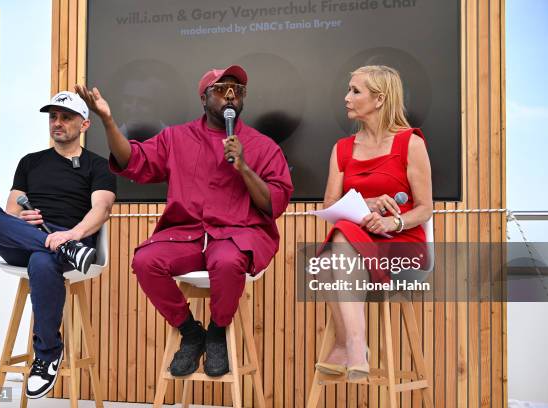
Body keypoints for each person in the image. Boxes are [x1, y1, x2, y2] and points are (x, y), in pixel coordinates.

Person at [76, 64, 293, 377]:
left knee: (228, 261)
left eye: (237, 91)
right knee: (146, 261)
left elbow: (274, 203)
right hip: (187, 234)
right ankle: (191, 333)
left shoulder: (263, 146)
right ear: (204, 99)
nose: (230, 96)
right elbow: (131, 160)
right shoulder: (176, 138)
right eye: (221, 90)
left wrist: (243, 167)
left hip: (238, 235)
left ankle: (218, 332)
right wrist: (108, 121)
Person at [0, 91, 116, 399]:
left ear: (85, 124)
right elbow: (10, 212)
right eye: (53, 117)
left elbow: (101, 209)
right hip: (33, 239)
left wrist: (71, 235)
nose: (57, 123)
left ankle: (46, 354)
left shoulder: (98, 166)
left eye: (65, 117)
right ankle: (59, 249)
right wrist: (23, 217)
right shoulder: (30, 162)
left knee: (41, 261)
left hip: (71, 237)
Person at [314, 65, 432, 381]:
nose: (346, 97)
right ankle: (350, 343)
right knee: (329, 255)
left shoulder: (411, 143)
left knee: (333, 250)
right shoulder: (341, 149)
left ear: (379, 99)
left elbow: (424, 209)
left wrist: (393, 222)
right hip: (355, 239)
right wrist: (365, 204)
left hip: (402, 243)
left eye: (355, 91)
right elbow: (330, 206)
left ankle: (350, 343)